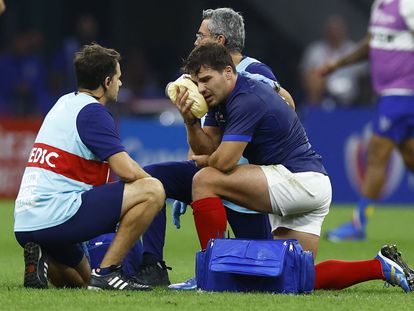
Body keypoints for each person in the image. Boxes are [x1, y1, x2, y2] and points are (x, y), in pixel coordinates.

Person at [174, 41, 413, 292]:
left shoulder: (247, 97)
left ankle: (209, 278)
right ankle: (380, 267)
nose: (201, 89)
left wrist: (204, 162)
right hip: (310, 183)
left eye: (206, 79)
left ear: (228, 72)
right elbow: (208, 149)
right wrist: (191, 122)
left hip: (297, 179)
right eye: (196, 82)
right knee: (292, 279)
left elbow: (222, 162)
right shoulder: (220, 100)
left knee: (204, 180)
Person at [134, 7, 295, 287]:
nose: (195, 41)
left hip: (246, 182)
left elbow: (289, 107)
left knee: (265, 273)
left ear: (219, 41)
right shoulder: (209, 78)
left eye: (201, 35)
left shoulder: (254, 71)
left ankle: (218, 272)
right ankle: (153, 266)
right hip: (215, 173)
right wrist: (190, 123)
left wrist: (274, 89)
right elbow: (204, 146)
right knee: (153, 180)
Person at [13, 43, 165, 291]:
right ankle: (108, 272)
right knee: (153, 190)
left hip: (25, 222)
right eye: (118, 78)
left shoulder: (63, 103)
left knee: (81, 281)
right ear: (106, 81)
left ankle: (41, 256)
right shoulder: (93, 113)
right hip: (58, 215)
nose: (120, 83)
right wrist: (154, 186)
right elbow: (126, 171)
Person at [319, 0, 414, 241]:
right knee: (410, 157)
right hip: (391, 95)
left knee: (375, 156)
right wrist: (338, 64)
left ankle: (358, 224)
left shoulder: (407, 5)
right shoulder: (381, 4)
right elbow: (371, 43)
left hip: (402, 94)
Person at [300, 15, 368, 106]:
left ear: (344, 31)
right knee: (314, 80)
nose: (334, 33)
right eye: (332, 30)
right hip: (324, 91)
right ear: (326, 32)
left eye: (337, 30)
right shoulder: (315, 50)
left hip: (349, 93)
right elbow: (305, 75)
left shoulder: (353, 49)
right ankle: (314, 114)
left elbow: (364, 76)